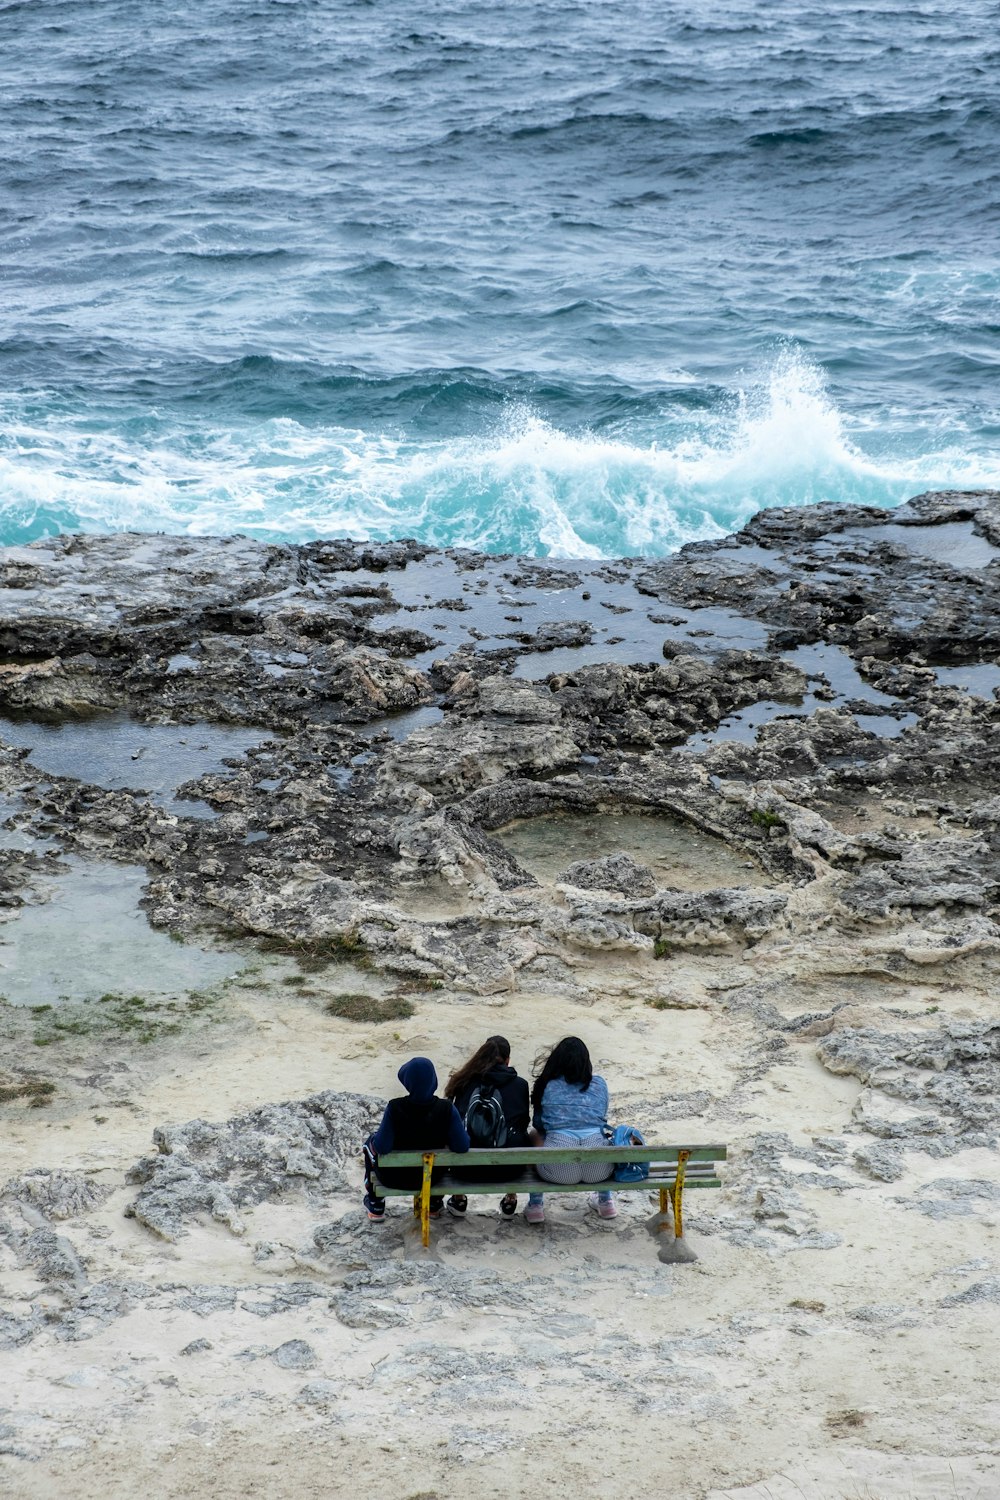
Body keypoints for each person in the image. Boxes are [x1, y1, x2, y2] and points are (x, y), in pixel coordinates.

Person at [363, 1056, 470, 1222]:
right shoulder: (447, 1108)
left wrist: (374, 1139)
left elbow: (382, 1147)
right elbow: (462, 1146)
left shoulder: (395, 1107)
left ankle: (376, 1203)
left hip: (395, 1178)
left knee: (369, 1144)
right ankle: (433, 1204)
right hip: (433, 1179)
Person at [525, 1036, 615, 1224]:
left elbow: (539, 1123)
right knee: (601, 1134)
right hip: (599, 1170)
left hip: (559, 1169)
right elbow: (601, 1118)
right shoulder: (599, 1084)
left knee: (534, 1135)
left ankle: (535, 1205)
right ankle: (606, 1202)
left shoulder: (548, 1085)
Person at [442, 1034, 531, 1220]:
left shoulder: (464, 1082)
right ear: (508, 1061)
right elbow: (523, 1123)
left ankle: (458, 1199)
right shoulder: (521, 1085)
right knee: (518, 1133)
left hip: (465, 1169)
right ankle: (510, 1198)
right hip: (510, 1171)